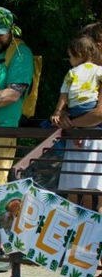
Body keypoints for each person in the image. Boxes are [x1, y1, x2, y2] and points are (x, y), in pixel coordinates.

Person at [0, 6, 34, 184]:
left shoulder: (20, 52)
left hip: (2, 131)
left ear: (10, 30)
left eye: (0, 33)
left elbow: (12, 95)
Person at [52, 35, 102, 191]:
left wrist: (58, 112)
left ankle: (77, 134)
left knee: (76, 185)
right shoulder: (98, 70)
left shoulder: (72, 73)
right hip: (89, 108)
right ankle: (78, 133)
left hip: (75, 111)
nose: (69, 60)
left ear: (79, 54)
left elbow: (64, 95)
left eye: (70, 56)